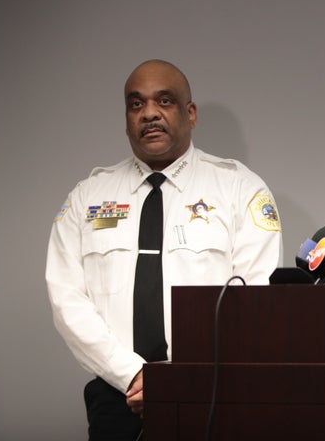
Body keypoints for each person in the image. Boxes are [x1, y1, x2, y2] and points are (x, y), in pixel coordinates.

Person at [46, 59, 282, 440]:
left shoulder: (240, 189)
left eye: (165, 101)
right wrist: (134, 375)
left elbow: (253, 296)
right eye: (136, 104)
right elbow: (66, 298)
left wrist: (181, 380)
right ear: (126, 118)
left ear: (190, 114)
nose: (149, 113)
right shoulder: (87, 196)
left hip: (211, 392)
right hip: (118, 395)